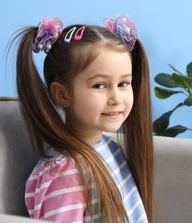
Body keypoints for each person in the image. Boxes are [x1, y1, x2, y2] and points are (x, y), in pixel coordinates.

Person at [12, 15, 154, 222]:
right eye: (100, 85)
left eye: (123, 83)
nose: (116, 98)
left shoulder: (111, 149)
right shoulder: (64, 173)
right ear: (62, 94)